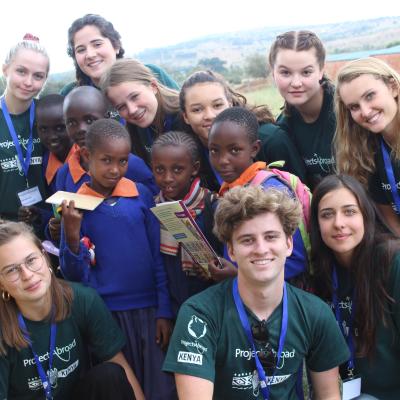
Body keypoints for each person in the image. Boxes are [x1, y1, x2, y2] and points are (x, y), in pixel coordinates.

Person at [163, 185, 349, 399]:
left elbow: (329, 396)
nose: (261, 249)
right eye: (247, 240)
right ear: (231, 250)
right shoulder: (199, 314)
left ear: (288, 244)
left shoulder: (314, 312)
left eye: (271, 237)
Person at [60, 118, 176, 400]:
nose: (115, 169)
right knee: (123, 387)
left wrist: (163, 311)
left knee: (161, 388)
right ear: (87, 157)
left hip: (149, 312)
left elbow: (158, 256)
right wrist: (72, 233)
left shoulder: (141, 195)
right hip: (107, 315)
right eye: (106, 160)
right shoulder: (76, 205)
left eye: (123, 161)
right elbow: (75, 276)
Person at [0, 220, 144, 400]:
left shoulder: (82, 299)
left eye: (31, 260)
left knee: (110, 375)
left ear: (45, 258)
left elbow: (119, 367)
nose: (27, 275)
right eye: (12, 270)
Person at [310, 174, 400, 399]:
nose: (339, 223)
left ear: (366, 216)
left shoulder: (392, 261)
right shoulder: (317, 272)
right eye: (327, 215)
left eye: (349, 211)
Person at [207, 107, 310, 283]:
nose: (223, 160)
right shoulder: (229, 189)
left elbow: (296, 259)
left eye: (234, 150)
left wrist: (239, 275)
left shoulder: (271, 191)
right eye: (215, 151)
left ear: (254, 149)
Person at [179, 70, 307, 191]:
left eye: (217, 105)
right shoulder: (189, 155)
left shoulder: (271, 140)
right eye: (197, 110)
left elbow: (302, 196)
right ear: (185, 117)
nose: (210, 115)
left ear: (230, 103)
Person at [151, 130, 216, 316]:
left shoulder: (212, 205)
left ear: (194, 168)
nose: (168, 178)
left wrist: (213, 268)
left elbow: (228, 256)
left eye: (177, 169)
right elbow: (156, 265)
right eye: (159, 169)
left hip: (210, 303)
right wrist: (163, 313)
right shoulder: (154, 208)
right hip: (172, 306)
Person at [334, 57, 400, 236]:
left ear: (393, 87)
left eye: (370, 96)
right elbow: (392, 224)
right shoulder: (367, 153)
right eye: (354, 107)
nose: (365, 111)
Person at [55, 85, 157, 195]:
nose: (81, 129)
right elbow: (60, 209)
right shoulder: (64, 174)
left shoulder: (131, 165)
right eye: (71, 123)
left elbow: (153, 202)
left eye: (89, 120)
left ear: (107, 117)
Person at [269, 30, 336, 190]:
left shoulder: (347, 109)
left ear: (321, 70)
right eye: (285, 72)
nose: (296, 82)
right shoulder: (281, 129)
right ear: (273, 72)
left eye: (306, 72)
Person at [61, 13, 179, 96]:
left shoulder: (150, 74)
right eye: (81, 50)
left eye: (97, 44)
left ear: (116, 45)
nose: (90, 54)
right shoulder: (70, 94)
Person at [0, 35, 49, 227]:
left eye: (38, 76)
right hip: (5, 230)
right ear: (5, 70)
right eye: (21, 71)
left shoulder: (49, 116)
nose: (29, 82)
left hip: (46, 226)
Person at [100, 58, 183, 165]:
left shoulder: (186, 117)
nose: (132, 110)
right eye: (121, 107)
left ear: (153, 86)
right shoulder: (133, 130)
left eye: (134, 97)